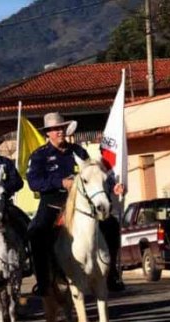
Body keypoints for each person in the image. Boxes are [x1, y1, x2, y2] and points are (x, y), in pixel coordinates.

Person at [26, 112, 125, 296]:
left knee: (111, 225)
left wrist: (113, 186)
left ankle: (111, 275)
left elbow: (94, 174)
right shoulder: (39, 156)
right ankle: (43, 281)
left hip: (83, 204)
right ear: (47, 133)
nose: (60, 132)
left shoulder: (79, 152)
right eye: (55, 129)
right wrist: (60, 182)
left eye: (62, 128)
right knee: (36, 232)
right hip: (53, 204)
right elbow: (34, 182)